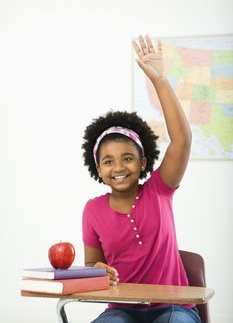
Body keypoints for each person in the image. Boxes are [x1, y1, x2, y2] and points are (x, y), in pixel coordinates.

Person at [81, 35, 201, 323]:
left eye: (128, 158)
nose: (118, 167)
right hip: (122, 310)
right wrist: (99, 269)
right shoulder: (93, 210)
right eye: (108, 161)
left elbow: (182, 140)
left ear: (143, 162)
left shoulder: (160, 190)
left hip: (175, 308)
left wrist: (159, 80)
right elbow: (91, 264)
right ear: (98, 169)